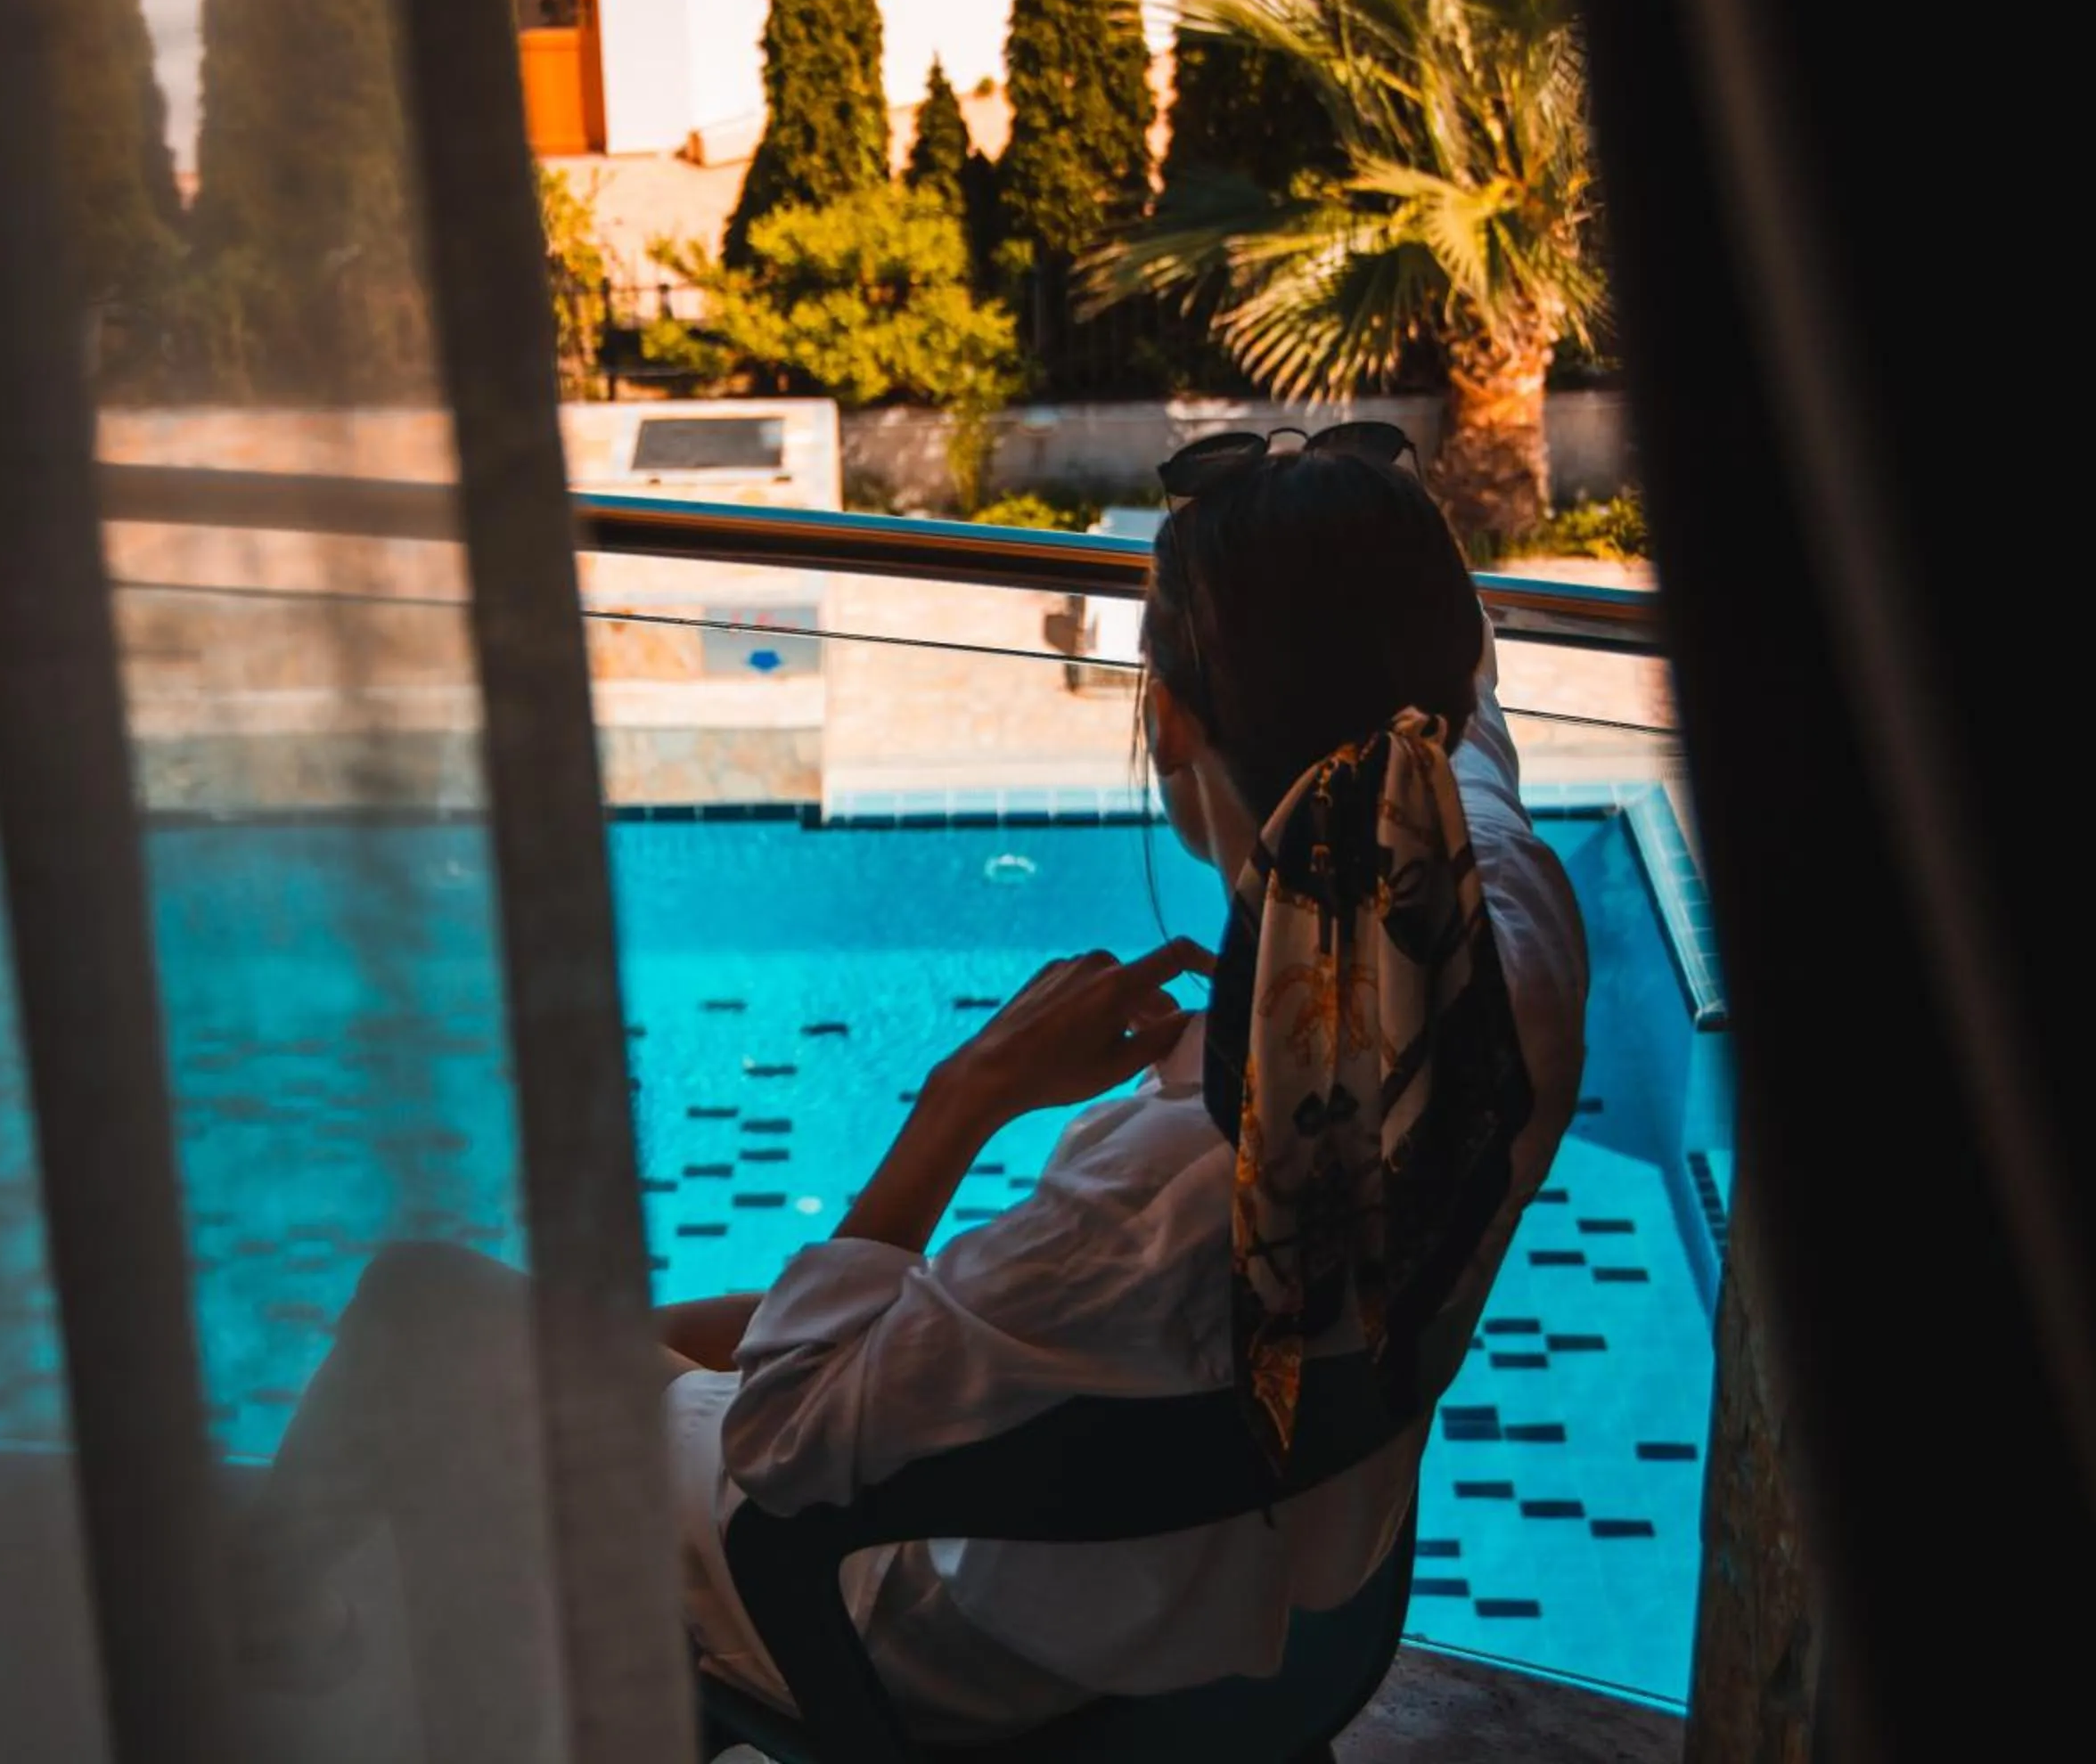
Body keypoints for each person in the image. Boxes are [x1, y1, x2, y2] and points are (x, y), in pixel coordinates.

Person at [237, 425, 1589, 1748]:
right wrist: (1363, 531)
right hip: (1275, 1600)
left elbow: (786, 1441)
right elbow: (1464, 717)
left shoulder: (1152, 1201)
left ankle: (269, 1632)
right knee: (604, 1334)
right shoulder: (1493, 937)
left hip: (953, 1629)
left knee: (416, 1312)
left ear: (1167, 721)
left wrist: (970, 1093)